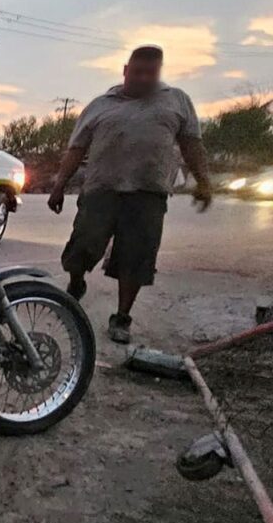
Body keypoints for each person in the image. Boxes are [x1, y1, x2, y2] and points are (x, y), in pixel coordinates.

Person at [48, 45, 213, 343]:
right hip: (101, 190)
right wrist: (59, 186)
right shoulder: (101, 105)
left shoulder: (176, 101)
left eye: (151, 73)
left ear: (159, 72)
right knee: (82, 245)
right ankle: (76, 282)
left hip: (147, 194)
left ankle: (122, 317)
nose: (144, 79)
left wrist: (204, 181)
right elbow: (76, 149)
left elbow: (192, 145)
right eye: (137, 72)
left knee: (135, 259)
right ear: (125, 70)